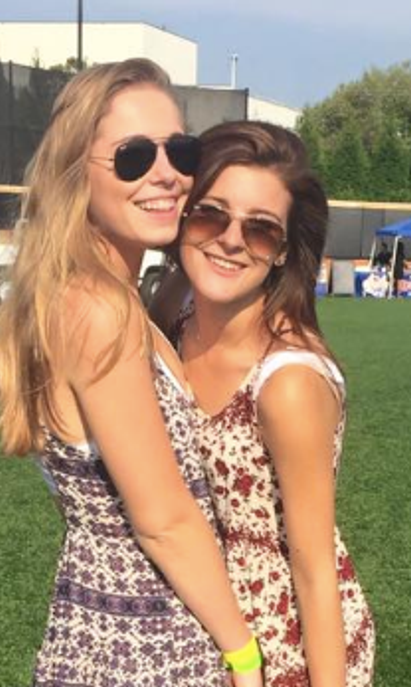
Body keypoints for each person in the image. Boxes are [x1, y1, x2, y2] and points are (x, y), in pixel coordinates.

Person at [0, 59, 262, 687]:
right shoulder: (98, 307)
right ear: (77, 173)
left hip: (106, 630)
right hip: (145, 645)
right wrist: (246, 656)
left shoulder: (99, 295)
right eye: (133, 157)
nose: (166, 174)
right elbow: (163, 519)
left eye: (180, 151)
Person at [165, 121, 375, 686]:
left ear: (282, 251)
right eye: (211, 215)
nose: (230, 240)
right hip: (209, 626)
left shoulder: (288, 383)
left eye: (260, 230)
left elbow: (314, 567)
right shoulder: (175, 312)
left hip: (286, 643)